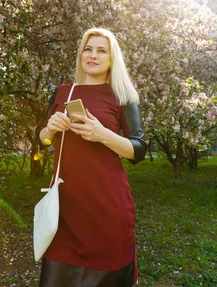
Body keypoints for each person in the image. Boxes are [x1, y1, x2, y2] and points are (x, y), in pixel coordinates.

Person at [37, 28, 147, 287]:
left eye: (101, 50)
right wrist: (51, 128)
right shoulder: (64, 92)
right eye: (88, 49)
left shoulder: (122, 95)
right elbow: (42, 139)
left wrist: (102, 134)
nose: (93, 55)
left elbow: (138, 149)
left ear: (112, 58)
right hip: (65, 209)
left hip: (107, 209)